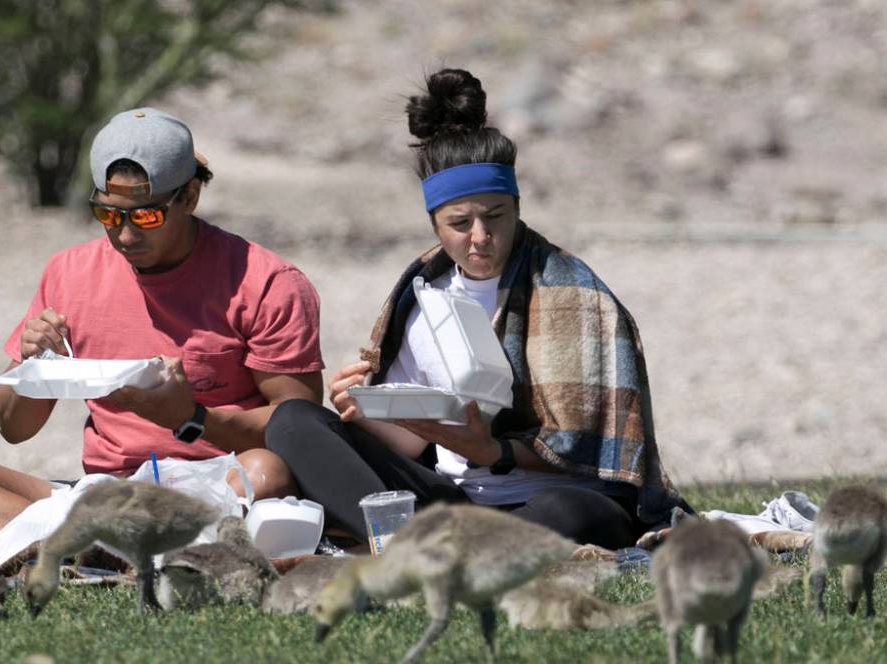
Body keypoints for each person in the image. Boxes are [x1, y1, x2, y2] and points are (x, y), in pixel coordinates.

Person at [265, 68, 688, 551]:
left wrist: (490, 451)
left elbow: (592, 451)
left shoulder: (575, 296)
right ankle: (422, 546)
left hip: (550, 498)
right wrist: (362, 411)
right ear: (434, 224)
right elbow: (413, 443)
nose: (481, 237)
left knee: (571, 514)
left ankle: (416, 549)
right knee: (294, 420)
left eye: (495, 216)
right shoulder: (422, 295)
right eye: (460, 223)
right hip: (455, 498)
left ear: (517, 206)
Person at [0, 108, 324, 551]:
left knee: (267, 473)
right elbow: (14, 428)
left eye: (145, 217)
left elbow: (300, 433)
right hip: (105, 494)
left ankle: (77, 555)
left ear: (189, 196)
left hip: (215, 484)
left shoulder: (266, 283)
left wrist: (191, 418)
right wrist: (34, 366)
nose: (124, 236)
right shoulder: (69, 273)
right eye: (108, 215)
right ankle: (121, 554)